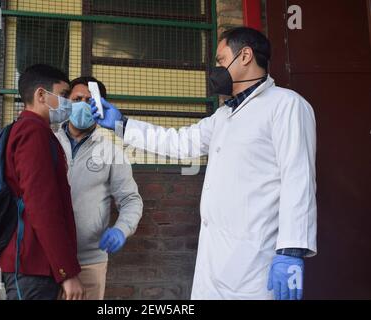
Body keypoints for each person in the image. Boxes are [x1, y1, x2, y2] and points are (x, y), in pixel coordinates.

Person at [91, 27, 317, 300]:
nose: (217, 68)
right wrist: (121, 125)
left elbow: (298, 179)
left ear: (245, 55)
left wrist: (291, 251)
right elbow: (178, 142)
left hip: (257, 261)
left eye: (221, 60)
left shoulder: (286, 105)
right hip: (216, 262)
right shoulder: (223, 116)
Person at [0, 64, 86, 300]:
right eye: (64, 95)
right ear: (41, 95)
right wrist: (66, 272)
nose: (69, 103)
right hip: (32, 265)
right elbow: (42, 206)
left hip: (35, 265)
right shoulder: (33, 133)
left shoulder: (32, 130)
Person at [55, 76, 143, 299]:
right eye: (77, 99)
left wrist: (121, 229)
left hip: (89, 261)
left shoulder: (111, 152)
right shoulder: (48, 142)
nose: (83, 104)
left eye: (90, 100)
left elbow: (131, 200)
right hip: (47, 258)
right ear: (67, 102)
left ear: (100, 107)